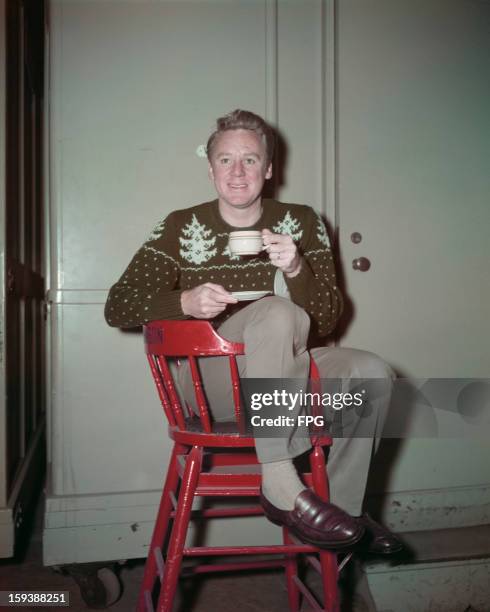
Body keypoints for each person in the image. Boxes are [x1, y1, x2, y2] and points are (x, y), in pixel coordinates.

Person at [105, 109, 401, 554]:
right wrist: (182, 303)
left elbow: (326, 319)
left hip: (284, 374)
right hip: (211, 385)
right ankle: (279, 479)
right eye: (225, 160)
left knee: (372, 373)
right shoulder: (179, 226)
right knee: (276, 311)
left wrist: (298, 267)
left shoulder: (300, 221)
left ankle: (341, 515)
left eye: (250, 159)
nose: (238, 171)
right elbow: (118, 306)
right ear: (210, 169)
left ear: (268, 168)